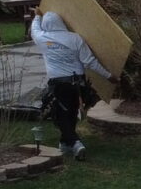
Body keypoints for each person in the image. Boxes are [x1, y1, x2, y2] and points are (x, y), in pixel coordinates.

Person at [29, 11, 113, 159]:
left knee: (61, 115)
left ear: (46, 25)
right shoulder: (75, 38)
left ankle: (75, 143)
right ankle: (65, 143)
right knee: (72, 112)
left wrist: (37, 15)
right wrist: (108, 76)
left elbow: (34, 29)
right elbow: (89, 61)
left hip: (59, 85)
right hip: (78, 84)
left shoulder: (42, 38)